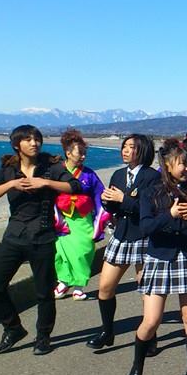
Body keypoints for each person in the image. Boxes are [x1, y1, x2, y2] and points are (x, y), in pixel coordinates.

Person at [124, 139, 187, 375]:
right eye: (181, 163)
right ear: (167, 164)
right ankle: (137, 368)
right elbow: (146, 228)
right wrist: (171, 215)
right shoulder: (151, 191)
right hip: (159, 258)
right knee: (151, 321)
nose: (186, 168)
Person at [0, 125, 82, 355]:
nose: (34, 142)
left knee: (44, 292)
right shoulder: (7, 170)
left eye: (37, 138)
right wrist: (11, 185)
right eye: (27, 139)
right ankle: (13, 328)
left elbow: (74, 186)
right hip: (14, 236)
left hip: (43, 236)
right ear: (17, 145)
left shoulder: (51, 167)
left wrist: (45, 183)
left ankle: (43, 336)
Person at [87, 134, 159, 351]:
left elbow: (151, 210)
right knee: (105, 287)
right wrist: (107, 202)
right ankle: (107, 331)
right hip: (121, 236)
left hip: (144, 237)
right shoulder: (118, 174)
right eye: (124, 146)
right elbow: (114, 209)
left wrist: (123, 199)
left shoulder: (152, 177)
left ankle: (150, 337)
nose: (125, 150)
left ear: (143, 151)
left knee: (145, 288)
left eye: (131, 147)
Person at [53, 129, 111, 301]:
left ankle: (79, 286)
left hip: (83, 219)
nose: (83, 157)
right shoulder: (56, 171)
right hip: (61, 218)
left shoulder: (89, 174)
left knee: (84, 250)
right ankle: (63, 282)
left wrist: (101, 217)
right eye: (80, 153)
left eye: (85, 153)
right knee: (61, 252)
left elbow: (99, 195)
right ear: (68, 153)